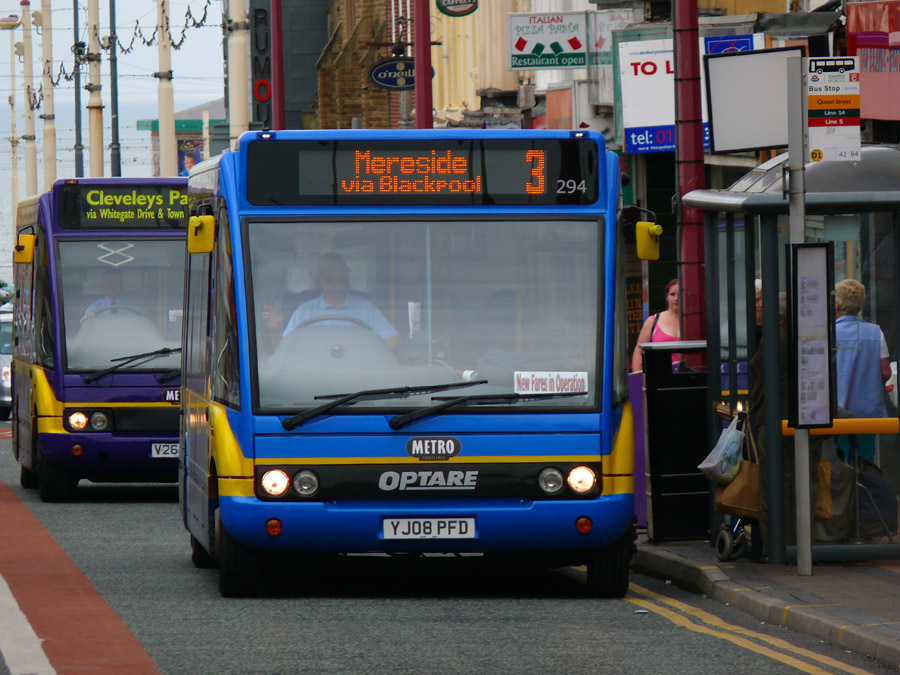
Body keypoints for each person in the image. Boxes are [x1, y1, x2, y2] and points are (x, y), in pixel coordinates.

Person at [263, 252, 402, 351]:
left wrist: (367, 344)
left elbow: (395, 340)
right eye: (321, 272)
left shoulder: (366, 308)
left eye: (332, 270)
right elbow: (281, 351)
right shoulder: (304, 310)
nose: (326, 275)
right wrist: (275, 331)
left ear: (346, 275)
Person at [834, 278, 891, 466]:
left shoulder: (828, 334)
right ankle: (863, 495)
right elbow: (885, 371)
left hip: (837, 412)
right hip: (867, 414)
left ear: (837, 304)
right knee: (866, 464)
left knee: (840, 465)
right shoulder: (876, 333)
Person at [631, 279, 680, 372]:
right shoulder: (653, 320)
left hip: (689, 377)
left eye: (680, 294)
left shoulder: (696, 322)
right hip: (658, 378)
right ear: (667, 297)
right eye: (672, 294)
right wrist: (638, 377)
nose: (676, 298)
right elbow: (638, 351)